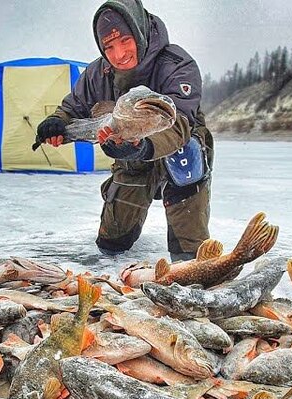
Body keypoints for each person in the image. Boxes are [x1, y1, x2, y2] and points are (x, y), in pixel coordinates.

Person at [34, 0, 213, 262]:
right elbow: (73, 107)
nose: (119, 54)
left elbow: (180, 122)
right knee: (111, 245)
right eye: (109, 46)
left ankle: (188, 248)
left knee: (187, 157)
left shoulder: (177, 64)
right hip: (129, 151)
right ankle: (119, 232)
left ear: (138, 32)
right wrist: (56, 122)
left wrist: (143, 146)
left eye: (125, 40)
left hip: (177, 145)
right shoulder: (97, 73)